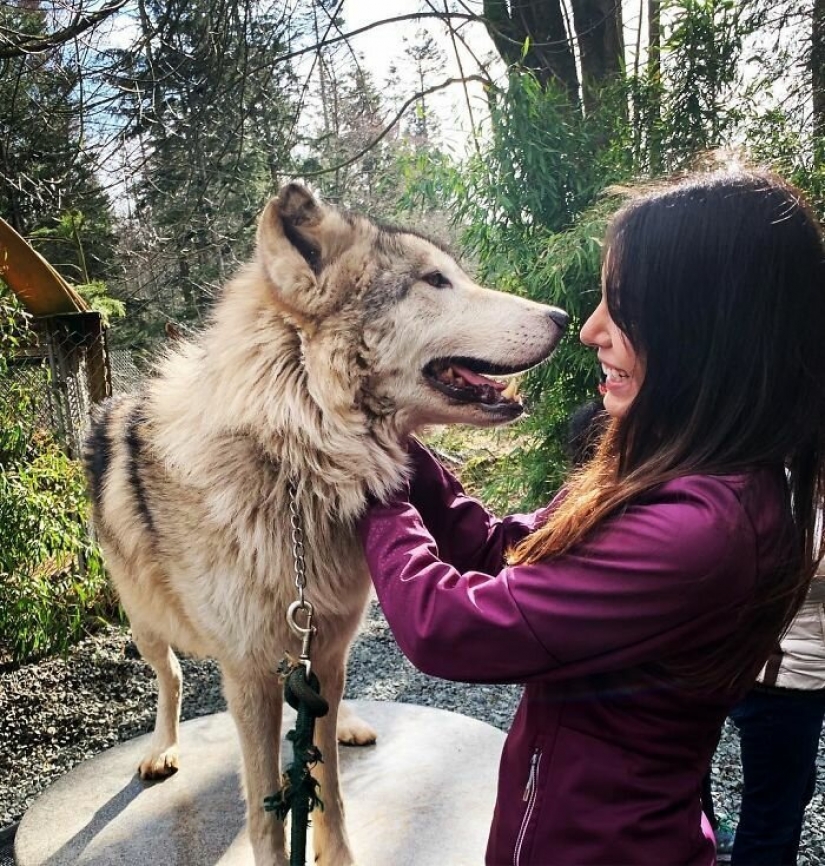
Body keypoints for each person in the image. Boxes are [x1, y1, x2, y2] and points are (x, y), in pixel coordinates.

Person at [358, 168, 825, 866]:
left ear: (707, 327)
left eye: (621, 305)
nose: (588, 331)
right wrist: (401, 450)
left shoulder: (700, 529)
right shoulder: (669, 477)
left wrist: (363, 472)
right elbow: (501, 551)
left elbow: (447, 627)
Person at [728, 566, 825, 865]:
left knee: (791, 798)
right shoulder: (795, 521)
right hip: (783, 682)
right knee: (769, 820)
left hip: (802, 676)